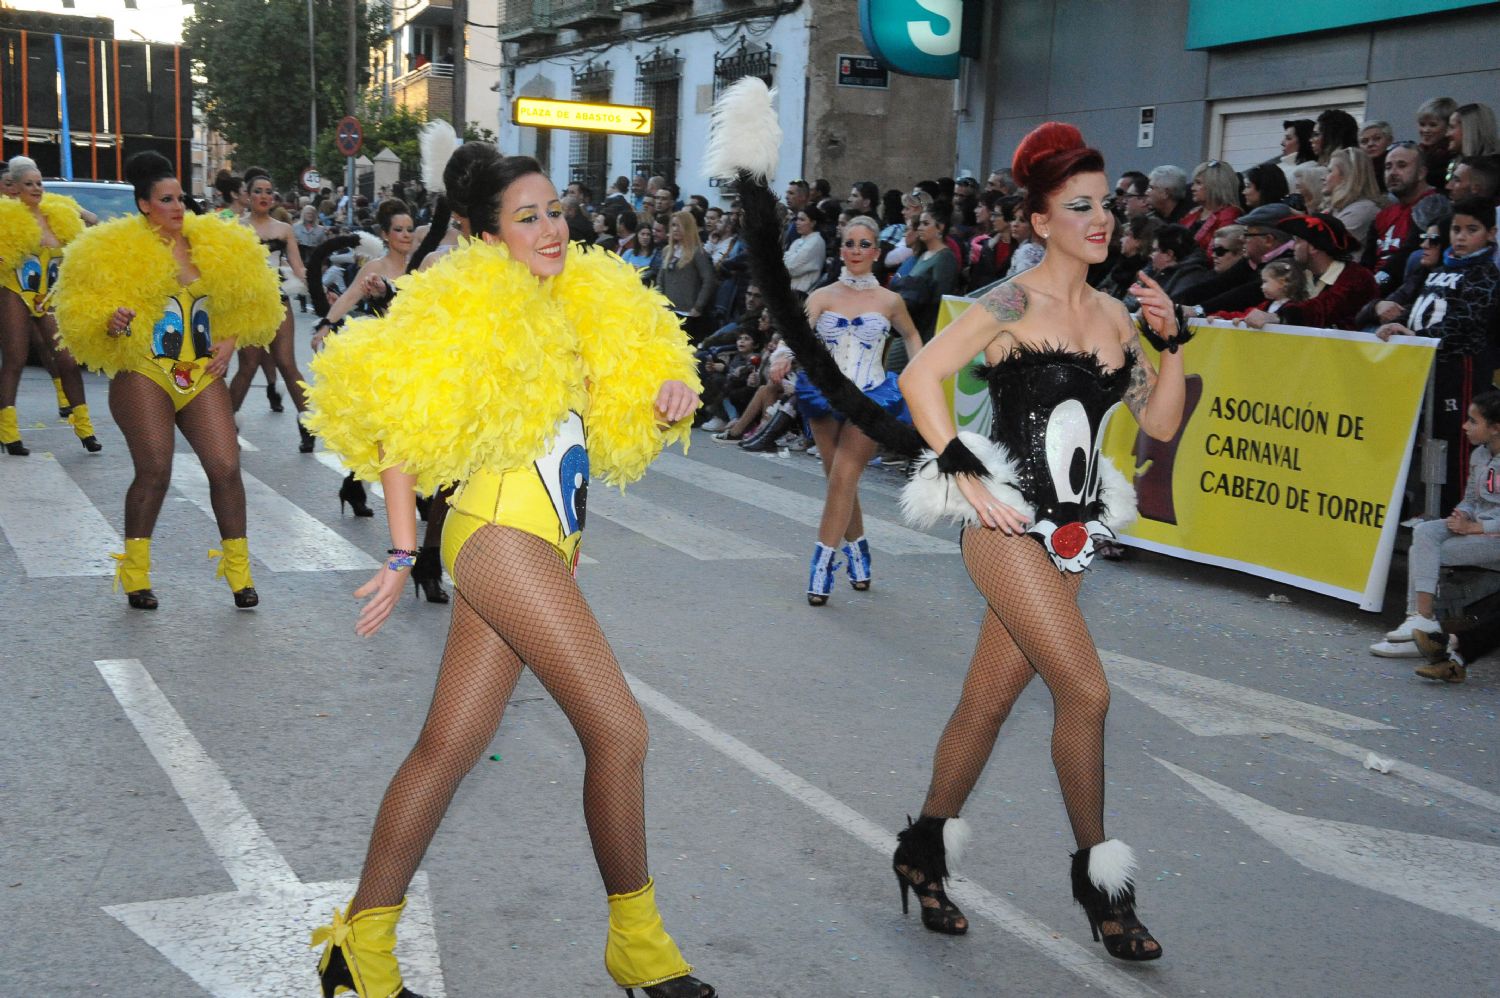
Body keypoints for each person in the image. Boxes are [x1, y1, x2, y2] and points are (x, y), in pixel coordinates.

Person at [302, 153, 715, 998]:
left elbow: (613, 398)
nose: (552, 228)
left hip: (549, 543)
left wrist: (665, 388)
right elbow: (396, 425)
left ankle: (357, 949)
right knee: (621, 732)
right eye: (526, 217)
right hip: (498, 538)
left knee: (446, 748)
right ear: (486, 233)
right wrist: (400, 547)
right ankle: (639, 948)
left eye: (556, 210)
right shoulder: (463, 302)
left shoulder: (578, 303)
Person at [890, 122, 1184, 961]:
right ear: (1041, 220)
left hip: (1076, 535)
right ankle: (1104, 888)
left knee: (988, 704)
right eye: (1080, 207)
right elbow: (921, 377)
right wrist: (964, 476)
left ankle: (921, 851)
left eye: (1108, 206)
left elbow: (1159, 424)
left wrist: (1174, 346)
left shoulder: (1116, 317)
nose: (1101, 220)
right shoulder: (1012, 303)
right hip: (1008, 528)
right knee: (1086, 693)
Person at [52, 150, 281, 609]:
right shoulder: (112, 249)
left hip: (200, 372)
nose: (178, 207)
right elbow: (82, 311)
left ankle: (239, 574)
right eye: (166, 199)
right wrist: (112, 320)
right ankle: (136, 574)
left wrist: (230, 342)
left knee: (225, 466)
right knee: (155, 470)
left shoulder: (214, 241)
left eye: (181, 197)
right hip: (144, 370)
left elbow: (247, 296)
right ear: (143, 205)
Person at [786, 216, 924, 603]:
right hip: (823, 395)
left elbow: (912, 335)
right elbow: (797, 333)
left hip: (870, 396)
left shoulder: (889, 300)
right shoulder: (822, 295)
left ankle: (822, 566)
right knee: (838, 480)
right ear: (841, 249)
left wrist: (919, 372)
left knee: (844, 477)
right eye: (850, 243)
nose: (857, 251)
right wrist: (781, 354)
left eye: (865, 244)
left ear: (877, 252)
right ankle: (859, 551)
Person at [1374, 197, 1500, 510]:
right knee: (1428, 440)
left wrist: (1417, 337)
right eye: (1456, 229)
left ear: (1492, 234)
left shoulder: (1486, 274)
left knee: (1457, 440)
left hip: (1462, 369)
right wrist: (1397, 326)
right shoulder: (1439, 269)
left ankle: (1456, 510)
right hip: (1426, 367)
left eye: (1472, 230)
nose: (1460, 236)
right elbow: (1421, 309)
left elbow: (1466, 321)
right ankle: (1430, 507)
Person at [1375, 392, 1500, 668]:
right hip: (1476, 528)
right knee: (1425, 534)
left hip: (1494, 538)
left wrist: (1476, 526)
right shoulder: (1479, 455)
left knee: (1428, 551)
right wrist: (1463, 513)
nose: (1465, 427)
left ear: (1495, 428)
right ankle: (1419, 619)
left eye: (1472, 421)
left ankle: (1421, 628)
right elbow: (1471, 498)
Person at [0, 156, 100, 455]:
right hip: (16, 291)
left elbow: (93, 221)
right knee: (15, 358)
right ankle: (8, 432)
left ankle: (85, 429)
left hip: (49, 295)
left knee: (67, 361)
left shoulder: (57, 213)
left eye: (39, 183)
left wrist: (72, 207)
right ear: (14, 188)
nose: (36, 188)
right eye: (28, 183)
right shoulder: (6, 217)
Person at [227, 166, 315, 451]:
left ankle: (309, 425)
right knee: (248, 365)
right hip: (248, 304)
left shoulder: (284, 229)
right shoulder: (235, 227)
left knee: (287, 364)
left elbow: (299, 267)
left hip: (278, 302)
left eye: (268, 192)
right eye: (257, 192)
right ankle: (223, 426)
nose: (264, 196)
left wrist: (319, 289)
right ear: (247, 196)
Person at [1244, 212, 1376, 330]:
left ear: (1313, 247)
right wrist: (1236, 317)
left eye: (1298, 241)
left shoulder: (1356, 277)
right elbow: (1274, 304)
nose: (1293, 246)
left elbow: (1321, 309)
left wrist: (1279, 317)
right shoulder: (1304, 274)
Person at [1365, 142, 1444, 290]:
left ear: (1421, 173)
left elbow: (1409, 254)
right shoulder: (1382, 215)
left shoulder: (1434, 205)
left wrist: (1374, 286)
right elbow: (1367, 261)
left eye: (1401, 166)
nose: (1393, 172)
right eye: (1388, 167)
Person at [655, 209, 717, 340]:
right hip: (668, 312)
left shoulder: (698, 252)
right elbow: (661, 279)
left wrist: (698, 307)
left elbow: (709, 280)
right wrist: (659, 301)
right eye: (673, 225)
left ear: (688, 227)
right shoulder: (667, 251)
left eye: (679, 225)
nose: (675, 229)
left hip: (688, 313)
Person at [1323, 147, 1384, 247]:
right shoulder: (1337, 209)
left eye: (1329, 171)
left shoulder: (1362, 211)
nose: (1323, 177)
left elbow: (1323, 247)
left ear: (1347, 177)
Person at [1181, 160, 1242, 252]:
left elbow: (1214, 253)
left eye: (1198, 183)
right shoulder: (1193, 213)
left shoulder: (1229, 215)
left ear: (1215, 185)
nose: (1192, 188)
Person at [1148, 223, 1213, 300]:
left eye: (1155, 250)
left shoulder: (1190, 277)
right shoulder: (1162, 271)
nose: (1150, 255)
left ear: (1169, 255)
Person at [1418, 97, 1459, 192]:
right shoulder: (1420, 151)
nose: (1426, 130)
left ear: (1448, 126)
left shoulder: (1450, 155)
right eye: (1422, 124)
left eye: (1432, 125)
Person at [784, 203, 827, 293]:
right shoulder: (797, 241)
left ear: (813, 223)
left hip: (802, 292)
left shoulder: (816, 241)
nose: (797, 222)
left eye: (802, 220)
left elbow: (792, 268)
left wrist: (786, 259)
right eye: (797, 219)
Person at [1278, 118, 1317, 184]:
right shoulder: (1280, 166)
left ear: (1303, 142)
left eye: (1288, 138)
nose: (1282, 143)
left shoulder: (1309, 169)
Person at [1359, 120, 1394, 189]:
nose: (1370, 144)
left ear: (1389, 140)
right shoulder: (1356, 168)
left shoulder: (1394, 165)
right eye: (1364, 141)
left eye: (1376, 139)